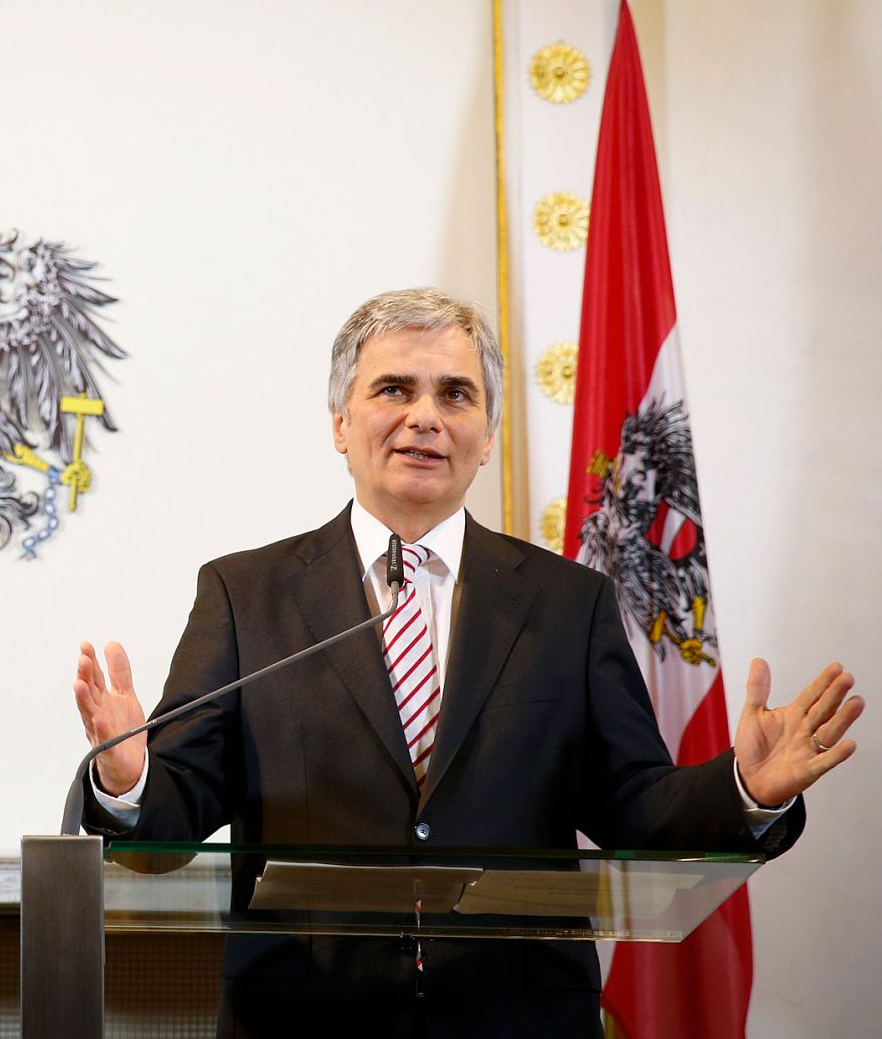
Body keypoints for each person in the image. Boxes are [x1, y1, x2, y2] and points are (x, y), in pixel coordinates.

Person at [72, 287, 862, 1038]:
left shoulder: (569, 603)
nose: (425, 416)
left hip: (518, 1019)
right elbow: (170, 819)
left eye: (455, 394)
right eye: (394, 389)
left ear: (486, 437)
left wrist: (743, 787)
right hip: (305, 1017)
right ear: (340, 423)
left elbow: (637, 807)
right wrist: (130, 779)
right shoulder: (247, 594)